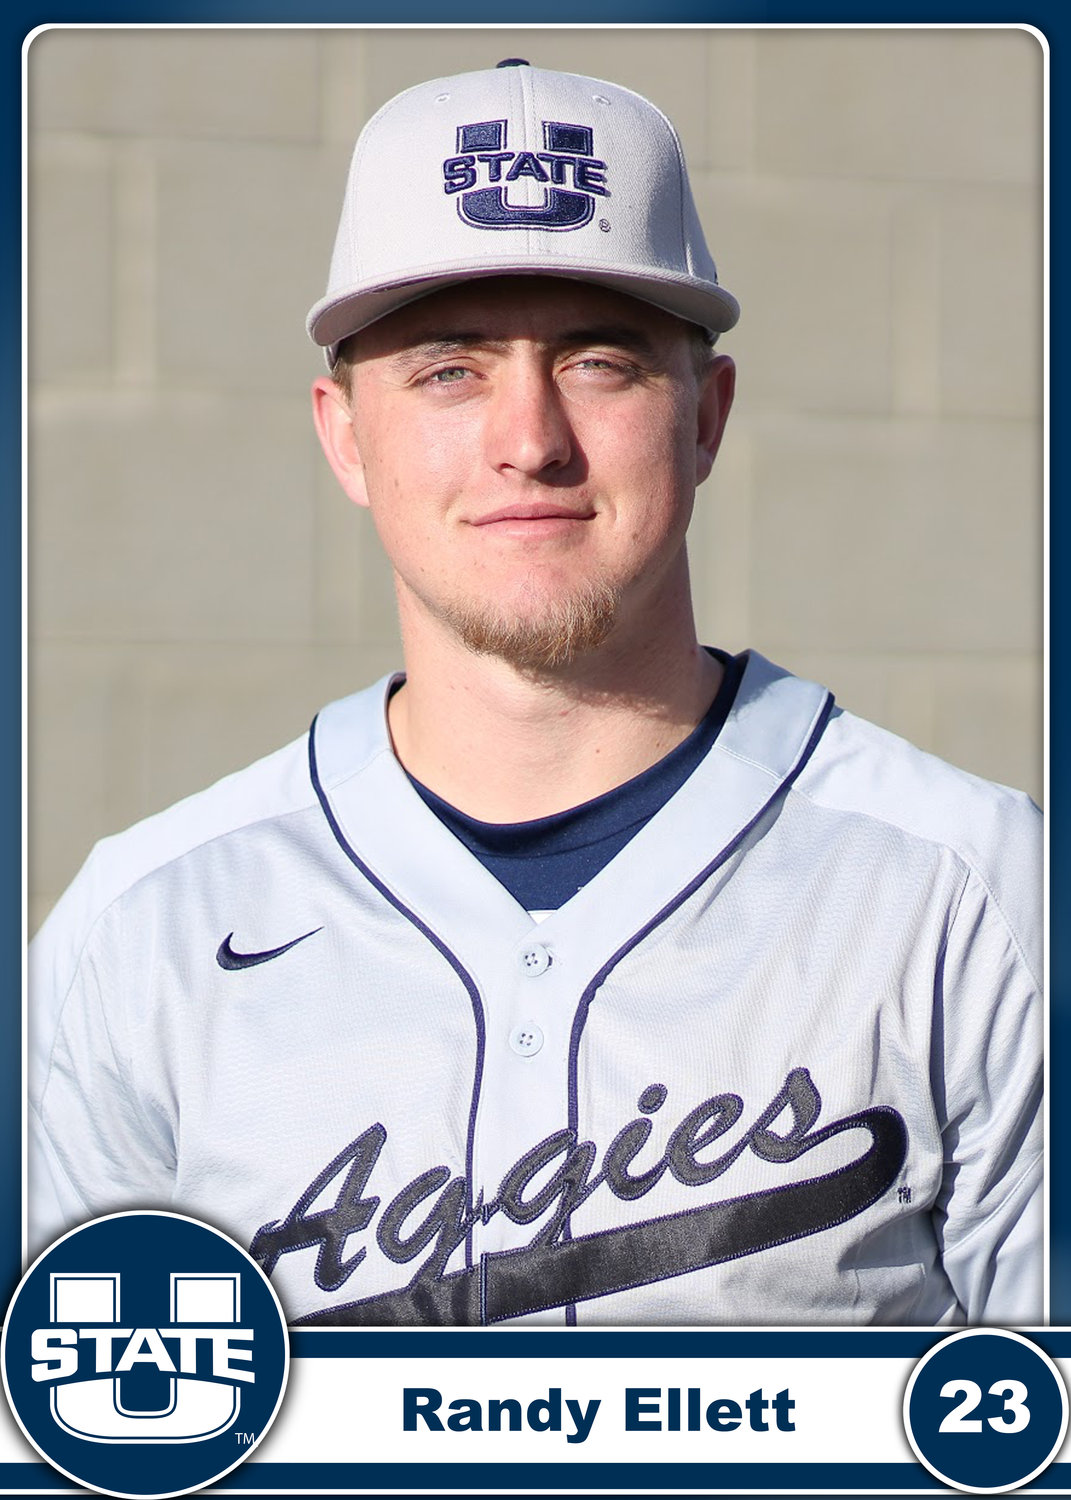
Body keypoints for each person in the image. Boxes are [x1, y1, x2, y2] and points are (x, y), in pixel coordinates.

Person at [28, 59, 1041, 1327]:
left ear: (707, 417)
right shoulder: (140, 935)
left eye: (599, 361)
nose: (530, 440)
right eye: (447, 370)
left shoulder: (980, 895)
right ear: (345, 432)